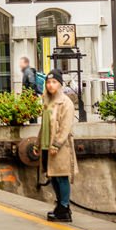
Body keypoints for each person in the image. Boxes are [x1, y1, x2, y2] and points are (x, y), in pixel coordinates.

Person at [41, 77, 77, 222]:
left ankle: (64, 208)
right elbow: (43, 125)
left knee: (61, 176)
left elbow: (65, 126)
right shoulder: (47, 101)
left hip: (59, 147)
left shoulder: (65, 102)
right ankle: (60, 207)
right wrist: (38, 144)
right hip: (46, 145)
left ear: (60, 84)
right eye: (48, 82)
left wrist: (57, 144)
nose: (50, 85)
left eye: (54, 82)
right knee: (53, 176)